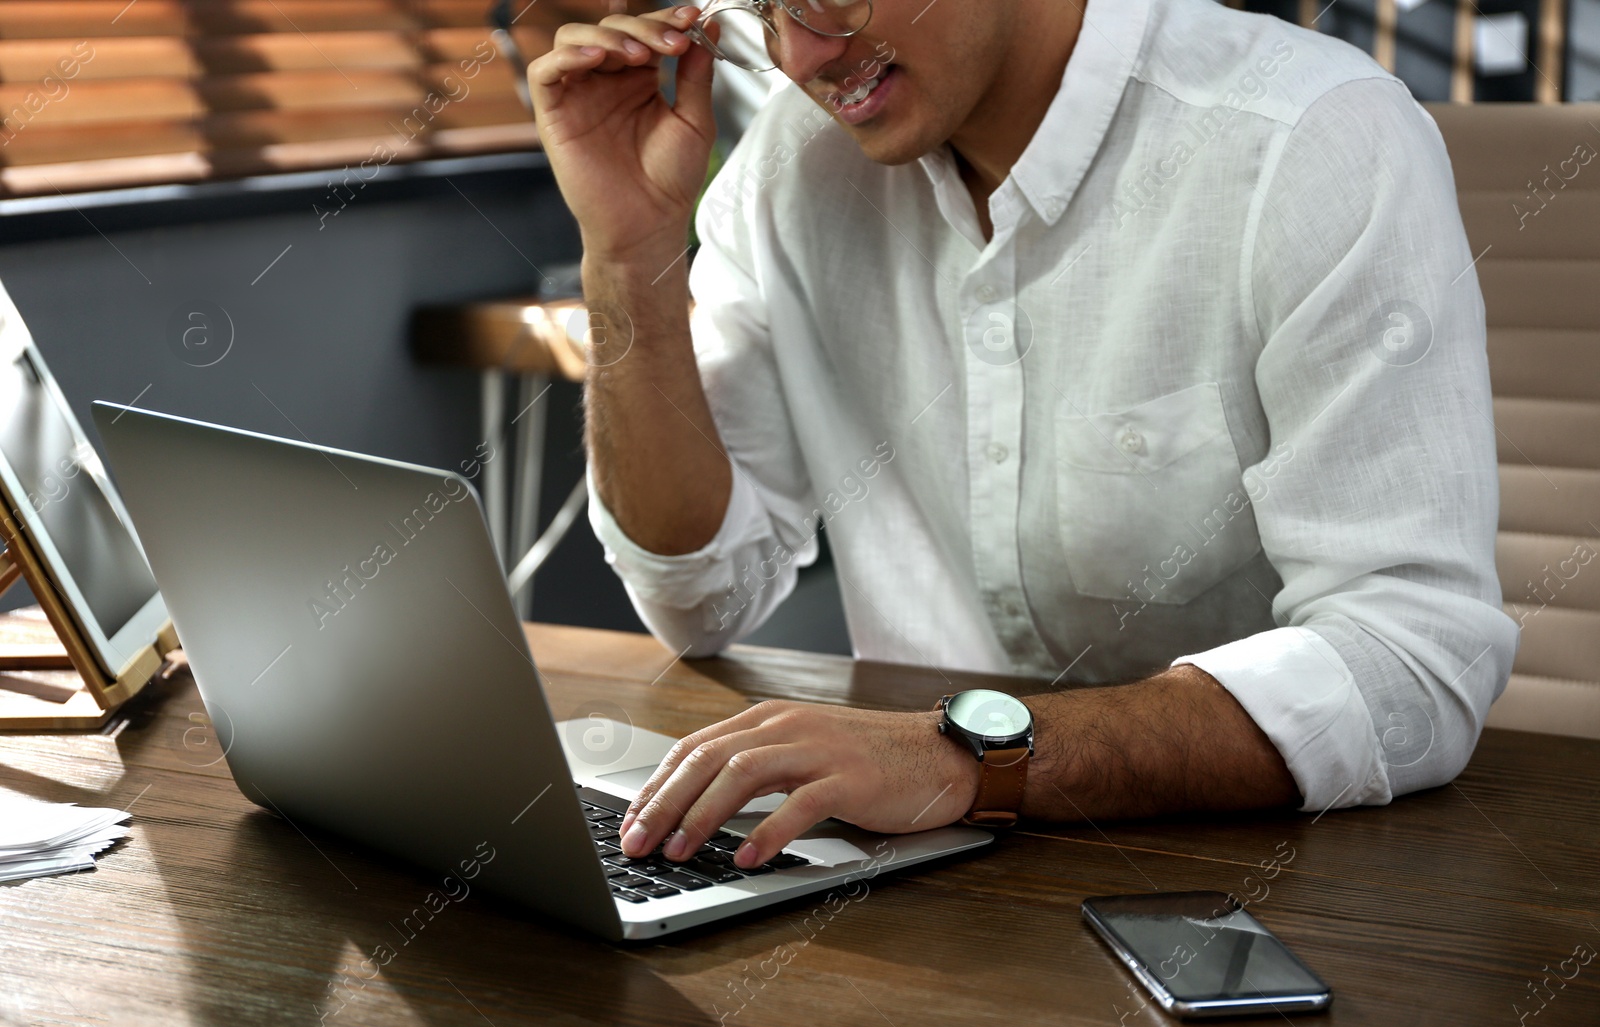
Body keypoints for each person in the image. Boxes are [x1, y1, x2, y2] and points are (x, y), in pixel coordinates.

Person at [528, 0, 1517, 871]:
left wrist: (962, 754)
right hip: (911, 877)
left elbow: (1410, 665)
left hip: (1270, 886)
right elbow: (700, 595)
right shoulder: (788, 170)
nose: (796, 56)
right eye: (761, 7)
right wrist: (627, 257)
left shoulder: (1308, 138)